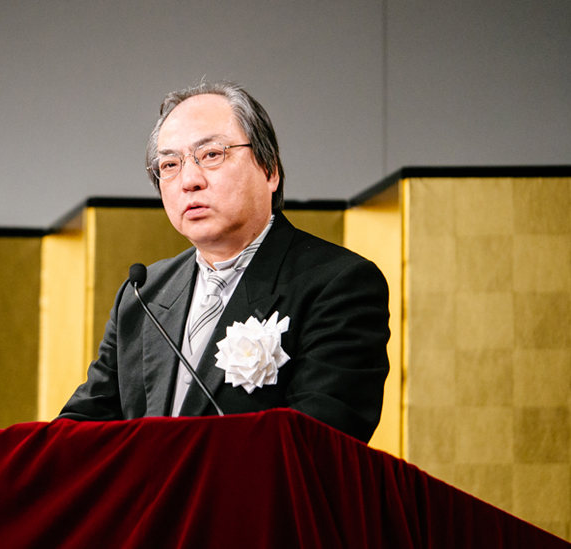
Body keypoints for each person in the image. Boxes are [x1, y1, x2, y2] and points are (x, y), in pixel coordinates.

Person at [59, 81, 390, 443]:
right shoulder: (143, 295)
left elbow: (318, 445)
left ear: (269, 170)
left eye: (212, 154)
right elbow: (80, 432)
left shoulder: (339, 285)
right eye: (169, 164)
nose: (189, 180)